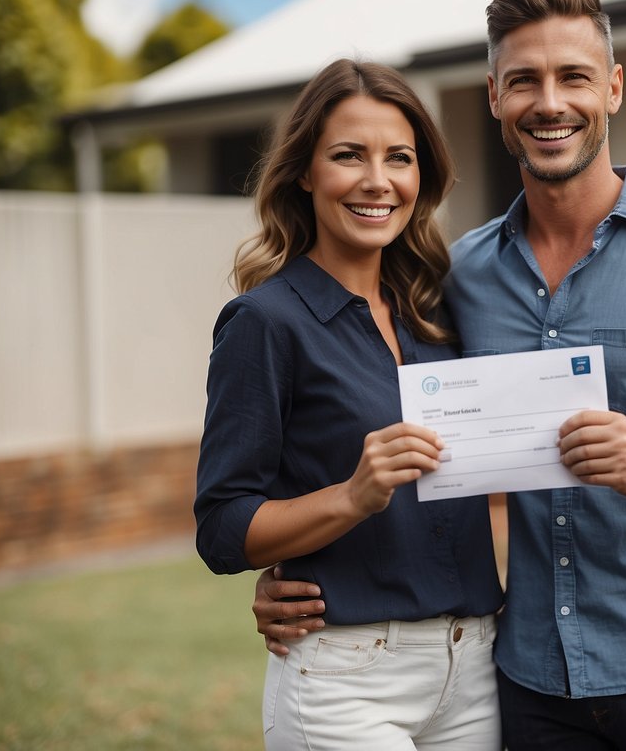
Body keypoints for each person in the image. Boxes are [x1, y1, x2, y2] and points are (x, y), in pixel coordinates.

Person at [253, 0, 626, 749]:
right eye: (524, 80)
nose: (549, 102)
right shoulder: (455, 278)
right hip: (525, 684)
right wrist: (298, 578)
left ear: (612, 88)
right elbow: (371, 429)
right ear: (493, 95)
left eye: (573, 76)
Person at [194, 58, 504, 751]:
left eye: (399, 157)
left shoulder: (440, 314)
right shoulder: (265, 322)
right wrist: (352, 496)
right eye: (347, 155)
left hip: (474, 669)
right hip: (347, 681)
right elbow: (220, 528)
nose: (376, 180)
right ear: (304, 172)